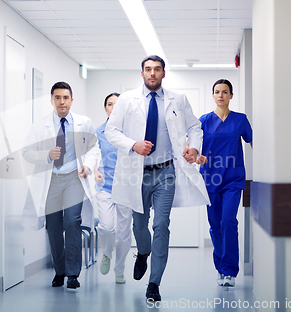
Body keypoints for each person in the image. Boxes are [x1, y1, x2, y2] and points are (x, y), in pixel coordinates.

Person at [105, 55, 209, 301]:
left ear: (164, 73)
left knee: (161, 225)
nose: (152, 73)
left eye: (157, 69)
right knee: (139, 226)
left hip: (166, 172)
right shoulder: (128, 99)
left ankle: (154, 283)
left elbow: (194, 127)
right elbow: (112, 130)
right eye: (148, 69)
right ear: (142, 73)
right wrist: (133, 145)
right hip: (136, 173)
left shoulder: (178, 100)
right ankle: (142, 252)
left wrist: (194, 148)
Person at [22, 81, 99, 290]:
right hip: (51, 180)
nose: (61, 102)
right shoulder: (40, 125)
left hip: (74, 177)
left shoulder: (84, 122)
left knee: (73, 221)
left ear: (72, 100)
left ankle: (73, 274)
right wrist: (46, 155)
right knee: (54, 227)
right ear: (51, 100)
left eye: (65, 97)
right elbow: (26, 153)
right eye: (57, 98)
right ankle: (60, 271)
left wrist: (89, 166)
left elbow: (93, 148)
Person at [196, 79, 252, 288]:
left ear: (231, 96)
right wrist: (196, 156)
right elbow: (191, 144)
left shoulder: (240, 120)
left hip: (233, 179)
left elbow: (254, 141)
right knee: (215, 225)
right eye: (217, 92)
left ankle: (229, 271)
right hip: (210, 178)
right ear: (213, 95)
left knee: (228, 221)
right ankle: (220, 267)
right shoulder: (203, 120)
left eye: (225, 92)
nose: (221, 95)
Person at [94, 92, 132, 284]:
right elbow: (91, 155)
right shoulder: (98, 132)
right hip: (105, 186)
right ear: (105, 108)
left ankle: (120, 269)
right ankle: (107, 253)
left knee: (124, 234)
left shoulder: (131, 132)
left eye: (117, 105)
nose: (113, 107)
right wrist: (94, 170)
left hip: (126, 188)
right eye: (110, 104)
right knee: (107, 227)